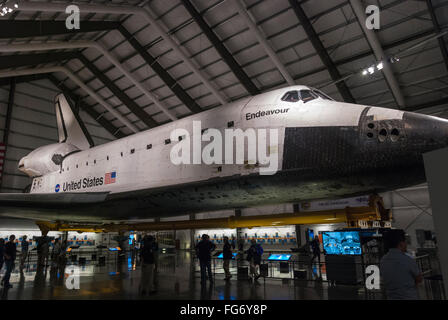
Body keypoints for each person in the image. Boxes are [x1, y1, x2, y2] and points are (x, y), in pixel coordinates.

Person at [380, 229, 422, 300]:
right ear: (401, 244)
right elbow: (419, 278)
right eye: (405, 242)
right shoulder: (407, 259)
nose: (406, 244)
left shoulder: (383, 260)